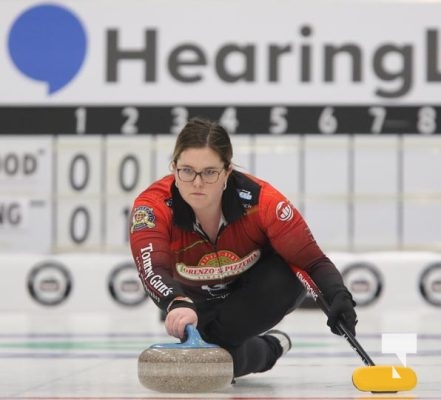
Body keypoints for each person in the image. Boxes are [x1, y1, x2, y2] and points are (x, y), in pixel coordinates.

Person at [129, 117, 357, 379]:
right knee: (213, 365)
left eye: (210, 172)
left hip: (257, 294)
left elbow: (310, 260)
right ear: (174, 168)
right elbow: (152, 268)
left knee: (210, 354)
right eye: (187, 171)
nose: (198, 183)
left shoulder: (263, 201)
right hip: (194, 302)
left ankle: (216, 345)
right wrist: (176, 301)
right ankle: (271, 347)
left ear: (227, 171)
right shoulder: (151, 206)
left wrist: (339, 297)